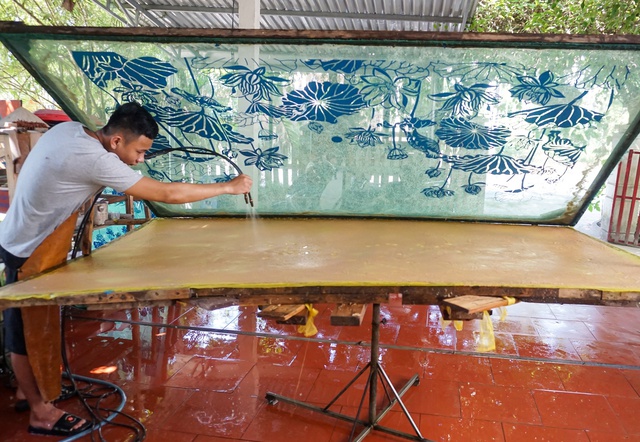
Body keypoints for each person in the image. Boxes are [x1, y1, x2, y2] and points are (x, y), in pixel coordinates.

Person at [0, 102, 252, 437]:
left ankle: (26, 391)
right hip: (28, 250)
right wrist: (228, 187)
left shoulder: (69, 130)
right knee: (25, 333)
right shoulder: (95, 159)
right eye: (140, 151)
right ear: (116, 140)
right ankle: (40, 413)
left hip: (27, 238)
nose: (141, 159)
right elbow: (167, 193)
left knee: (39, 325)